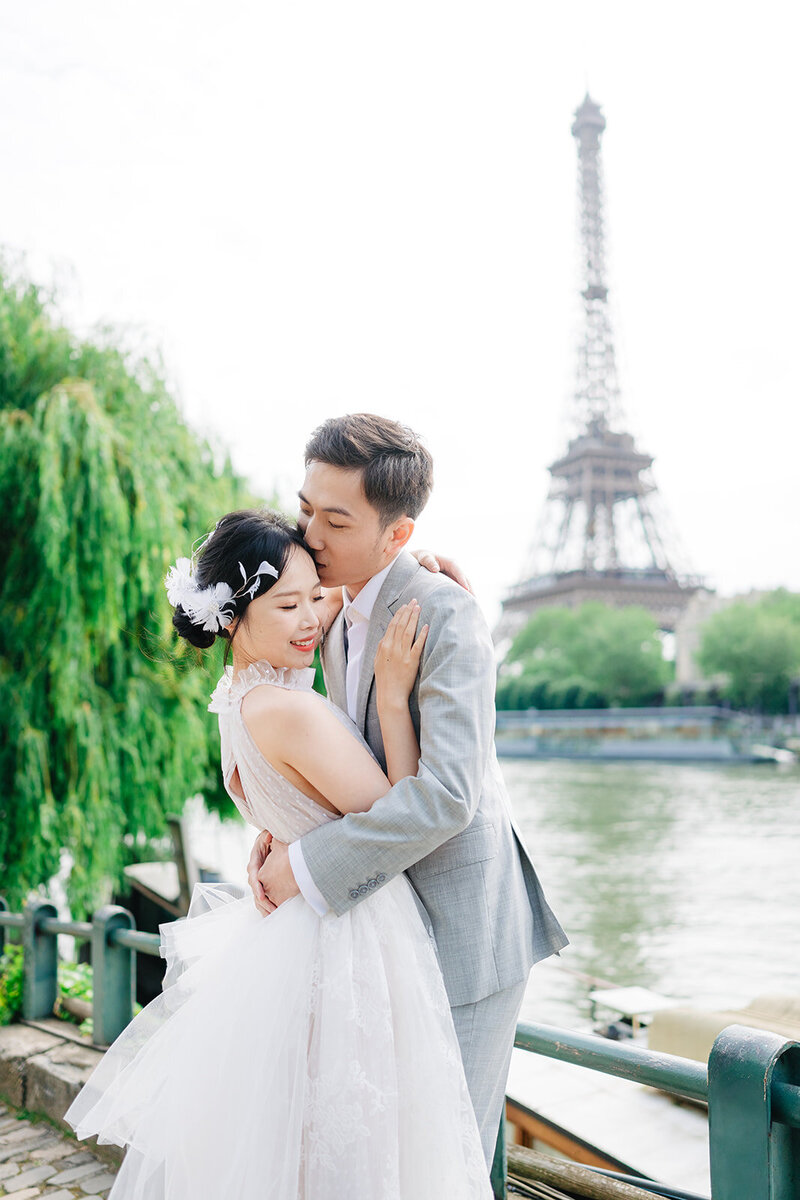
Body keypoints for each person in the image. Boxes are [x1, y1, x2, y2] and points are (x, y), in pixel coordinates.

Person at [63, 508, 492, 1198]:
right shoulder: (293, 710)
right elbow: (396, 804)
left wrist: (419, 571)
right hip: (349, 930)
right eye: (287, 606)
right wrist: (389, 696)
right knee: (363, 1144)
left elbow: (331, 599)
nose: (311, 620)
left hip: (290, 930)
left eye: (312, 599)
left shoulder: (236, 697)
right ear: (233, 618)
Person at [250, 413, 569, 1169]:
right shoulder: (326, 605)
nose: (310, 536)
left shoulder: (448, 615)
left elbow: (446, 800)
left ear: (396, 537)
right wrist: (287, 826)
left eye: (335, 520)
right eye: (304, 510)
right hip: (377, 924)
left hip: (460, 931)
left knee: (444, 1158)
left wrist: (303, 867)